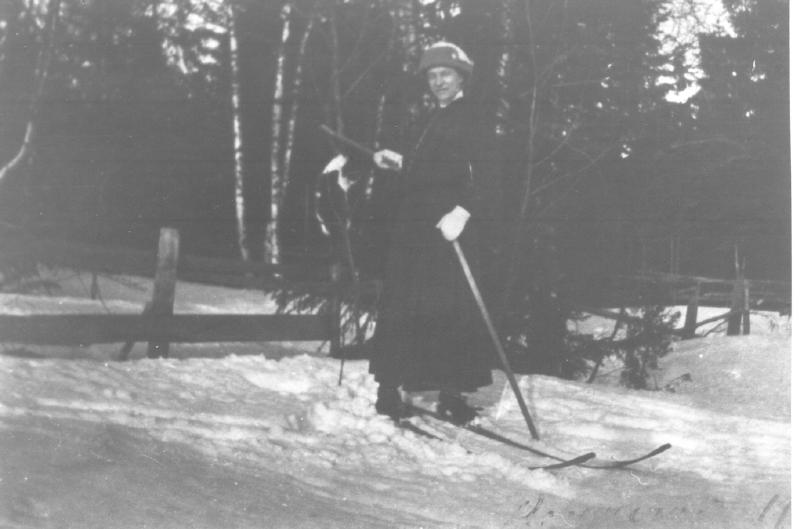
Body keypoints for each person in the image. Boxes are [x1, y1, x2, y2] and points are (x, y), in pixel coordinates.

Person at [369, 42, 496, 424]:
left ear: (461, 78)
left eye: (446, 74)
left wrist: (463, 211)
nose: (439, 82)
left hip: (448, 232)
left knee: (451, 310)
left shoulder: (473, 117)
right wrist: (394, 161)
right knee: (401, 306)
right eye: (433, 76)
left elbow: (489, 174)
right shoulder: (428, 119)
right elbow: (425, 167)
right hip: (413, 232)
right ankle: (389, 390)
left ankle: (452, 396)